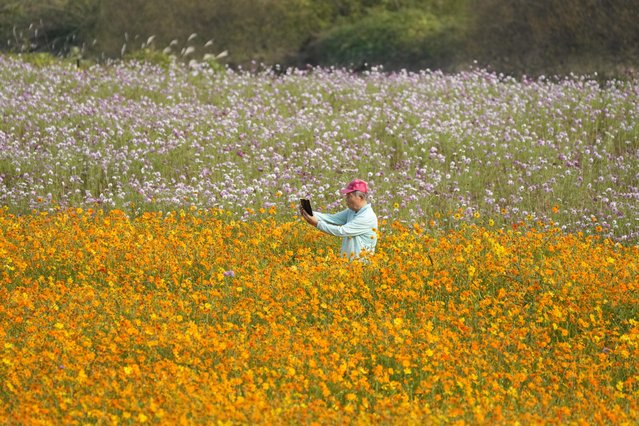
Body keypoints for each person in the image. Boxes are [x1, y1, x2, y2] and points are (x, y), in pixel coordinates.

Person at [300, 179, 378, 259]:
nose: (346, 200)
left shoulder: (367, 217)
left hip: (361, 265)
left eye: (349, 196)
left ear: (360, 197)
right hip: (348, 264)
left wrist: (317, 224)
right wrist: (310, 213)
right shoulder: (352, 211)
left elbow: (342, 231)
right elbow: (332, 219)